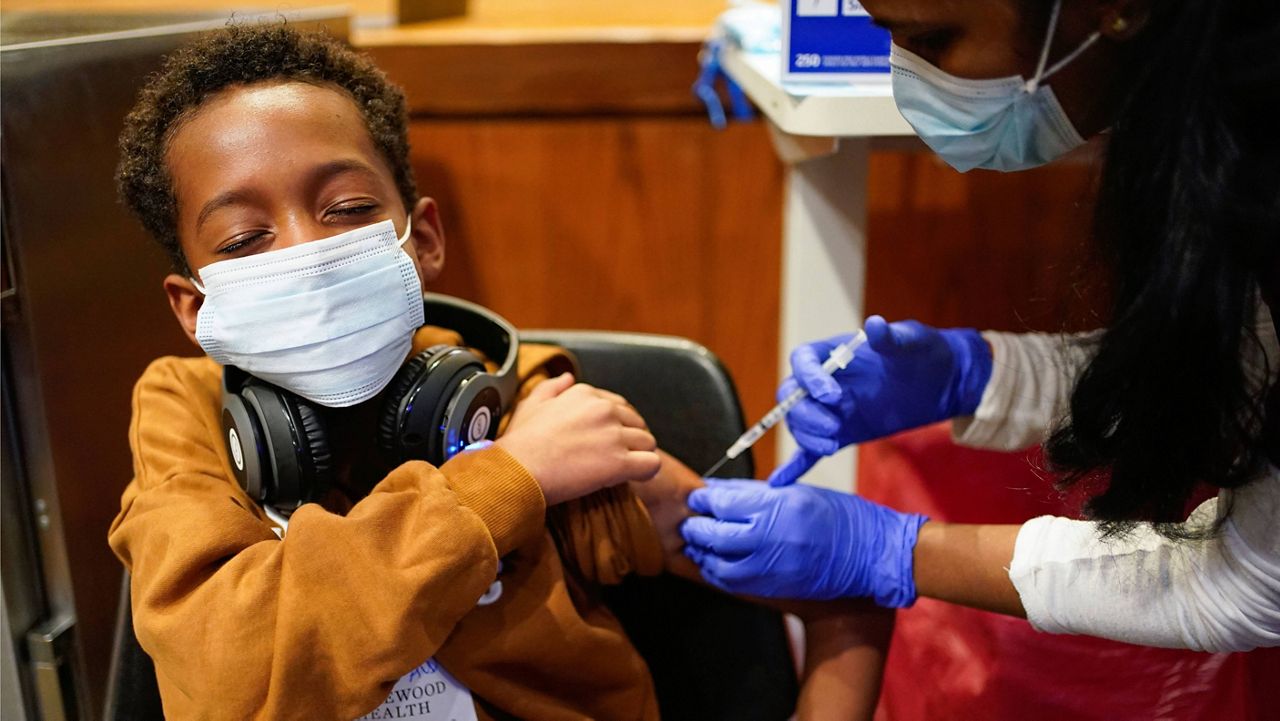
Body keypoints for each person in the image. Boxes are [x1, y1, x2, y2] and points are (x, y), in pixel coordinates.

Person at [108, 23, 889, 721]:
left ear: (425, 238)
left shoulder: (525, 405)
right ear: (191, 307)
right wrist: (506, 482)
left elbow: (841, 596)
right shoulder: (188, 417)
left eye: (346, 208)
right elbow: (230, 686)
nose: (306, 254)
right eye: (245, 239)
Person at [682, 0, 1279, 654]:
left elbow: (1254, 581)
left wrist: (891, 551)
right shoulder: (1209, 116)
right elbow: (1243, 365)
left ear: (1118, 9)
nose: (908, 80)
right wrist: (969, 373)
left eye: (934, 39)